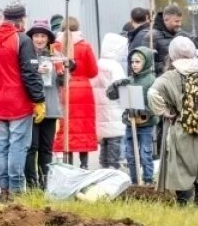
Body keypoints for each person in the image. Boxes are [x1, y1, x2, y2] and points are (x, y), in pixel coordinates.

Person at [147, 35, 198, 206]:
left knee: (181, 169)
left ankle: (183, 205)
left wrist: (165, 112)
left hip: (181, 130)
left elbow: (152, 94)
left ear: (172, 55)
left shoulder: (169, 77)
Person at [0, 3, 44, 199]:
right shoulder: (22, 40)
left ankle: (3, 189)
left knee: (2, 145)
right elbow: (30, 73)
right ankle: (17, 191)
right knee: (18, 144)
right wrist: (39, 99)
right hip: (18, 101)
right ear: (22, 19)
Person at [23, 20, 66, 191]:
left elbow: (62, 81)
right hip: (32, 108)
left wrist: (65, 71)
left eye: (43, 36)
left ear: (48, 38)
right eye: (36, 36)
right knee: (31, 147)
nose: (40, 39)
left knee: (46, 148)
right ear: (31, 37)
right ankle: (32, 184)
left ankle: (45, 183)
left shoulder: (56, 56)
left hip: (51, 106)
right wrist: (35, 71)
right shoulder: (26, 55)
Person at [54, 17, 99, 169]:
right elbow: (93, 72)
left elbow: (56, 71)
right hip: (83, 90)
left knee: (66, 128)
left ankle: (69, 165)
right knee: (83, 127)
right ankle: (84, 165)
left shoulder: (55, 46)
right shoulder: (85, 46)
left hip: (64, 90)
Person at [115, 47, 158, 184]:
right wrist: (115, 86)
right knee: (130, 154)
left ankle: (148, 180)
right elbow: (112, 95)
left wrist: (144, 111)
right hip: (130, 123)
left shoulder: (152, 81)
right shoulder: (129, 80)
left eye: (138, 62)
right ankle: (135, 181)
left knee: (145, 153)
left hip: (146, 125)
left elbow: (156, 104)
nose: (134, 64)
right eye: (132, 61)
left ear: (145, 63)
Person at [94, 32, 130, 171]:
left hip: (100, 110)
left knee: (104, 143)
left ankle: (103, 167)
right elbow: (123, 89)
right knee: (115, 141)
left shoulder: (98, 63)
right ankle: (114, 170)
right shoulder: (115, 67)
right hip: (114, 111)